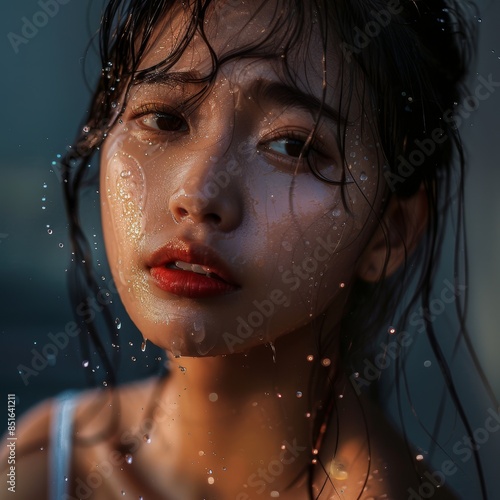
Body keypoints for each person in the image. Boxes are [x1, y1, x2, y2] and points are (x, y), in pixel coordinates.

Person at [1, 0, 496, 498]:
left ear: (390, 231)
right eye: (165, 119)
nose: (197, 194)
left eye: (292, 147)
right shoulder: (41, 461)